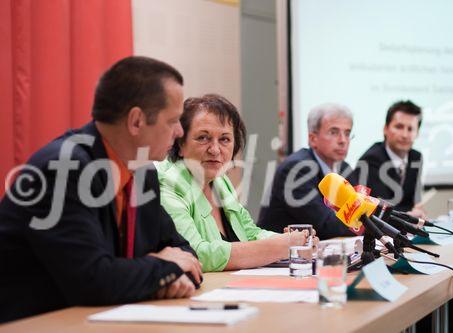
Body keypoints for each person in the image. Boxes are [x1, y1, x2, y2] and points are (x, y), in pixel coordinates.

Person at [0, 56, 203, 323]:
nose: (179, 131)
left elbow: (185, 254)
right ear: (136, 121)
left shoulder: (143, 173)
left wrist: (165, 272)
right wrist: (163, 269)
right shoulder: (62, 169)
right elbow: (92, 280)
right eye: (173, 120)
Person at [156, 94, 311, 272]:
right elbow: (194, 253)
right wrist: (282, 246)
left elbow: (250, 233)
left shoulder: (221, 181)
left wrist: (297, 240)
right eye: (203, 138)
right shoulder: (168, 182)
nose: (215, 150)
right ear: (180, 144)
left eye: (224, 139)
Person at [258, 103, 358, 240]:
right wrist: (363, 220)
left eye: (347, 133)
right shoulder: (296, 170)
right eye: (334, 132)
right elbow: (326, 225)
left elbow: (358, 211)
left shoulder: (345, 169)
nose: (343, 141)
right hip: (283, 257)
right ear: (313, 139)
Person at [356, 100, 425, 217]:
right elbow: (382, 209)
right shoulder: (371, 159)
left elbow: (411, 203)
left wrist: (417, 210)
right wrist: (409, 216)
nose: (404, 135)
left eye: (410, 129)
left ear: (417, 133)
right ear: (385, 129)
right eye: (399, 127)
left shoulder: (416, 157)